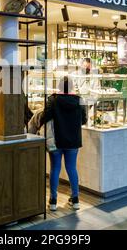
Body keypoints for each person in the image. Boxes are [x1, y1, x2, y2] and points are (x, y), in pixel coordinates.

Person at [40, 76, 87, 211]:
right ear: (72, 87)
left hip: (56, 140)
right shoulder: (79, 100)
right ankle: (75, 199)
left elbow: (45, 117)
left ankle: (53, 201)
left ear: (59, 86)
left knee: (55, 169)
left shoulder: (52, 100)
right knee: (72, 168)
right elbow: (83, 120)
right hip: (73, 140)